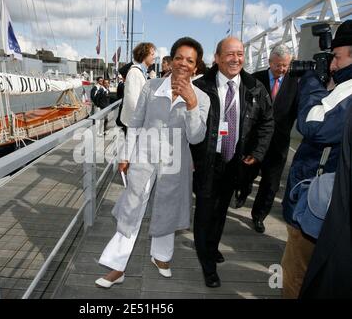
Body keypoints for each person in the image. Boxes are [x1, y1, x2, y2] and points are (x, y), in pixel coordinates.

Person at [95, 37, 210, 288]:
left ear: (196, 66)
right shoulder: (151, 87)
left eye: (189, 60)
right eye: (178, 57)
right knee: (131, 208)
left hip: (176, 163)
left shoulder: (201, 98)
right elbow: (135, 124)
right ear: (169, 60)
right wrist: (126, 155)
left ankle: (161, 257)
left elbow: (197, 137)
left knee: (167, 209)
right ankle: (117, 266)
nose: (183, 63)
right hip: (144, 158)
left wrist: (191, 104)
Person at [190, 37, 274, 288]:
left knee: (220, 212)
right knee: (205, 214)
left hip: (234, 161)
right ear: (216, 57)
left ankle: (212, 247)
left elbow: (267, 123)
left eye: (240, 54)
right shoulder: (200, 87)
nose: (236, 59)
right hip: (205, 161)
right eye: (229, 54)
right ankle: (208, 265)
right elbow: (185, 124)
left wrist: (257, 153)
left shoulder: (255, 88)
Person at [281, 19, 352, 299]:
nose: (332, 65)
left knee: (296, 271)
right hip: (332, 202)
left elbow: (314, 125)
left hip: (319, 205)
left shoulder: (347, 91)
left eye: (337, 56)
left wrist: (311, 81)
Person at [247, 44, 299, 233]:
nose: (282, 69)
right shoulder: (255, 79)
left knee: (271, 182)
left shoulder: (295, 82)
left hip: (279, 142)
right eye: (278, 65)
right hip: (255, 141)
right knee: (247, 173)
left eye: (285, 65)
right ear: (270, 62)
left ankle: (259, 216)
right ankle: (243, 191)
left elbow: (295, 110)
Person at [120, 42, 156, 127]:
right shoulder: (135, 72)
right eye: (152, 54)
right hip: (135, 124)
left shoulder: (141, 72)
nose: (154, 57)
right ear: (144, 55)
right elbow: (132, 101)